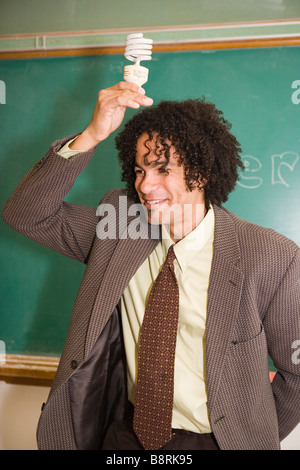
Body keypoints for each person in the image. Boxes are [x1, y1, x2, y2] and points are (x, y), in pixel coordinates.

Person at [2, 82, 300, 451]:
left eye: (162, 169)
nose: (146, 184)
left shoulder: (270, 256)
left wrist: (247, 432)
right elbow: (26, 215)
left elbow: (296, 373)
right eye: (140, 170)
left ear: (202, 172)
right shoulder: (120, 227)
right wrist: (92, 135)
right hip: (126, 434)